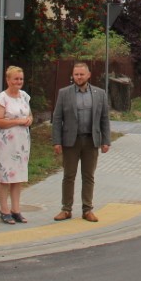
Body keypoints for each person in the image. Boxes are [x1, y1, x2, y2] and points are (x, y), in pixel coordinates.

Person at [51, 62, 110, 222]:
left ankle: (87, 209)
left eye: (81, 74)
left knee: (88, 176)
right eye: (76, 74)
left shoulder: (100, 94)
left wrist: (106, 141)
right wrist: (57, 141)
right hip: (71, 141)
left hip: (91, 141)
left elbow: (104, 118)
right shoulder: (64, 93)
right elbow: (57, 119)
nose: (78, 77)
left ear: (88, 75)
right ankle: (66, 209)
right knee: (69, 176)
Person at [0, 66, 33, 224]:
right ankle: (4, 209)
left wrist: (29, 120)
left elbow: (29, 115)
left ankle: (16, 209)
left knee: (18, 176)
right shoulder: (1, 98)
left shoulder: (24, 96)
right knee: (5, 176)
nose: (18, 82)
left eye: (21, 79)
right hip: (7, 142)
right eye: (15, 79)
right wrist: (17, 121)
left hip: (22, 142)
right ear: (8, 80)